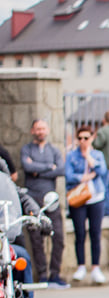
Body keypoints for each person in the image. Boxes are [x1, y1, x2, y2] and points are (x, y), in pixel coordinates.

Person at [20, 119, 66, 287]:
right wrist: (49, 167)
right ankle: (43, 275)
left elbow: (61, 169)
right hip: (33, 200)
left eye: (43, 128)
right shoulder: (26, 149)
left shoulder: (54, 150)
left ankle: (55, 274)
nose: (40, 131)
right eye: (37, 128)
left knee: (58, 237)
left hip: (51, 200)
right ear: (33, 131)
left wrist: (38, 170)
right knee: (36, 239)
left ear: (47, 130)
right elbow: (27, 167)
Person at [66, 126, 108, 285]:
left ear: (92, 138)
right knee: (80, 233)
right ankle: (81, 266)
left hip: (96, 197)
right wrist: (84, 177)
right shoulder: (71, 155)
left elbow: (102, 171)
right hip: (79, 198)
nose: (83, 141)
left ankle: (96, 268)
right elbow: (69, 176)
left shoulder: (97, 154)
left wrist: (88, 157)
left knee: (95, 233)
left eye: (86, 138)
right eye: (80, 138)